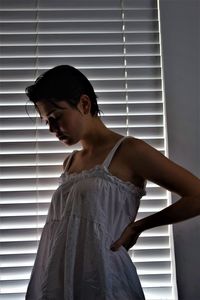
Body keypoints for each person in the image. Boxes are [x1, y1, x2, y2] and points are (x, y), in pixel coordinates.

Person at [25, 65, 200, 300]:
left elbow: (197, 195)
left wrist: (138, 227)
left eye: (56, 117)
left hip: (107, 281)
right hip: (61, 282)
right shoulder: (70, 162)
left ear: (84, 104)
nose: (52, 129)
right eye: (46, 121)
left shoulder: (129, 151)